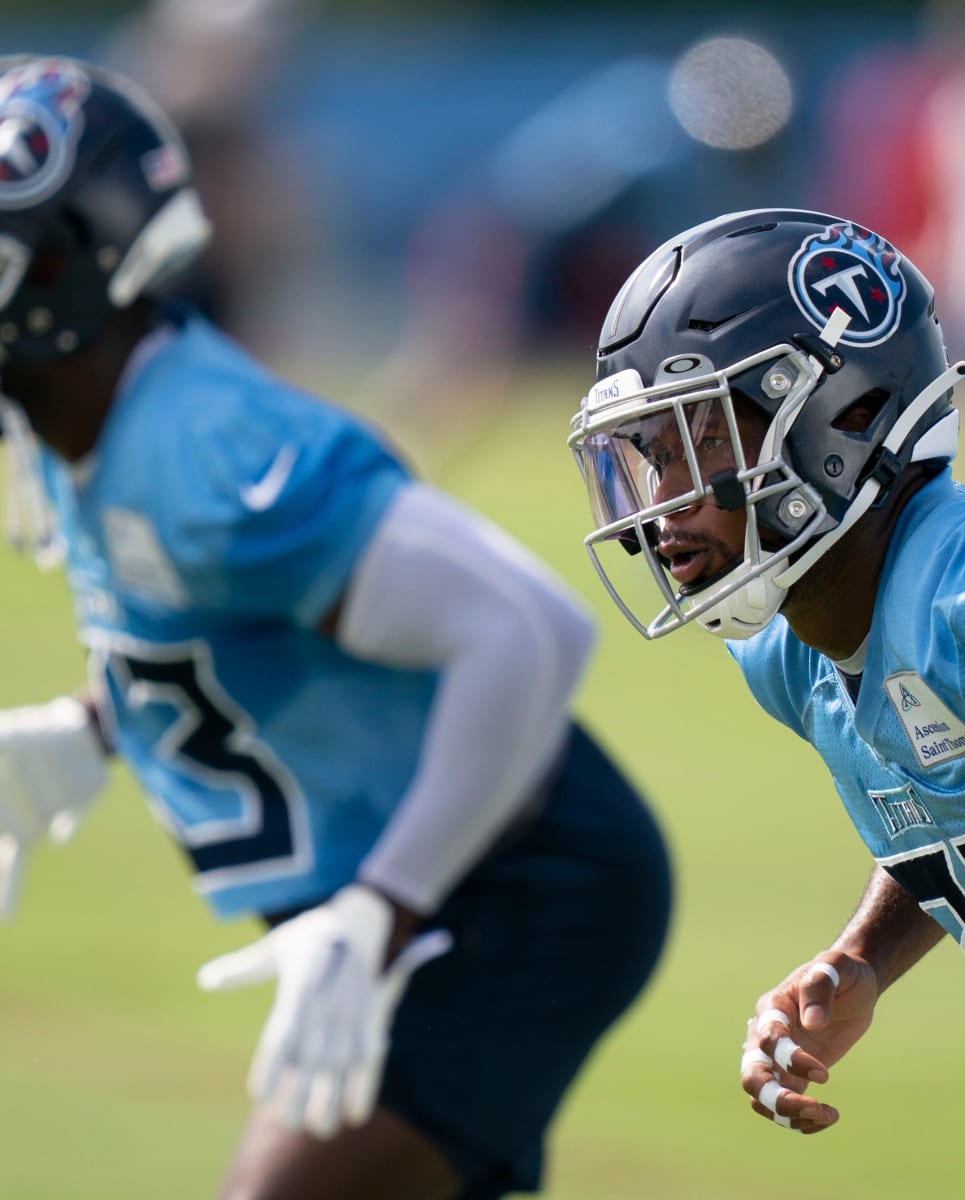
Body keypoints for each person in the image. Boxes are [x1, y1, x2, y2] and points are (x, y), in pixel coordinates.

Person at [0, 55, 671, 1200]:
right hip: (439, 885)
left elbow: (530, 631)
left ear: (64, 263)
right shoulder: (90, 416)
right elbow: (216, 625)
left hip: (518, 885)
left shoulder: (202, 451)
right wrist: (90, 726)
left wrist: (384, 905)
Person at [567, 207, 965, 1200]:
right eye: (644, 454)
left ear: (840, 417)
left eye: (693, 441)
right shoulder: (793, 653)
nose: (661, 502)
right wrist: (865, 956)